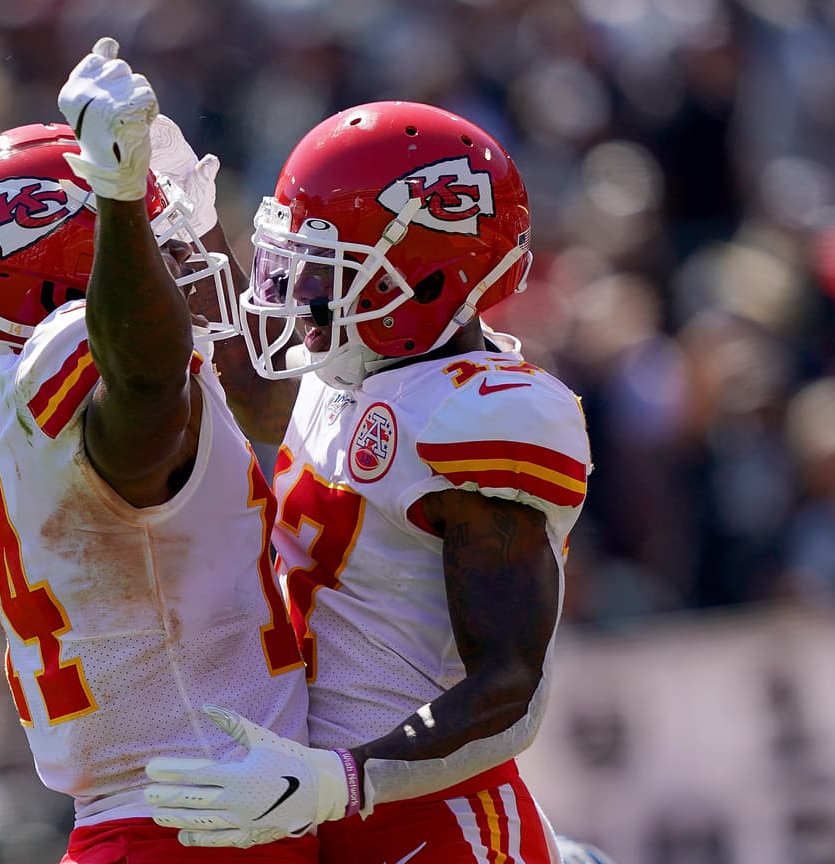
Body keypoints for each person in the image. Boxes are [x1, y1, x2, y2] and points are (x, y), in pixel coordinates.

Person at [0, 38, 315, 863]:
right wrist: (116, 197)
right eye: (150, 245)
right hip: (208, 818)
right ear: (72, 298)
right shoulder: (109, 392)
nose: (178, 255)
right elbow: (146, 381)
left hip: (146, 817)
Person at [142, 101, 593, 864]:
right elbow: (256, 389)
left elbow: (511, 689)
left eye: (324, 268)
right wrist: (186, 223)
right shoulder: (356, 364)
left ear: (423, 278)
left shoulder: (480, 416)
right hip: (322, 803)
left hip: (433, 819)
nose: (298, 292)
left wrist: (340, 781)